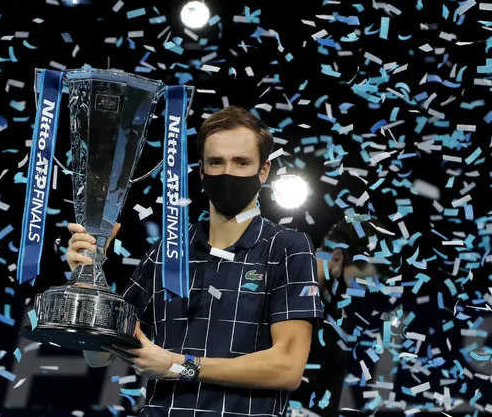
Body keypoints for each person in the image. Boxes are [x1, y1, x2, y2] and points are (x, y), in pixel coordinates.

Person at [66, 106, 324, 417]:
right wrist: (89, 276)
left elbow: (287, 368)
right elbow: (101, 357)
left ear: (264, 170)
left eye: (241, 162)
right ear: (201, 171)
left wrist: (180, 366)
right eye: (217, 162)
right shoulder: (167, 252)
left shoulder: (288, 248)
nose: (228, 173)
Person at [286, 216, 396, 417]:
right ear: (337, 259)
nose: (359, 294)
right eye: (360, 284)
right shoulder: (278, 290)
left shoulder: (334, 313)